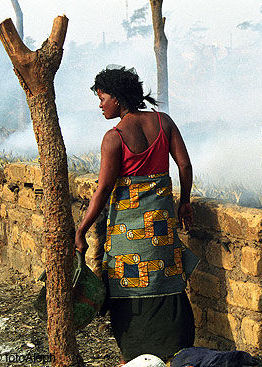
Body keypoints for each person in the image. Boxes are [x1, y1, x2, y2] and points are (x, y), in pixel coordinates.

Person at [75, 66, 198, 364]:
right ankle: (175, 349)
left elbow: (103, 190)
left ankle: (134, 356)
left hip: (128, 233)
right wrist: (184, 202)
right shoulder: (163, 122)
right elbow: (184, 166)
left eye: (102, 98)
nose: (100, 105)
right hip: (162, 230)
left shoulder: (114, 138)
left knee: (128, 284)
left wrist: (80, 230)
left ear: (116, 99)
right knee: (166, 281)